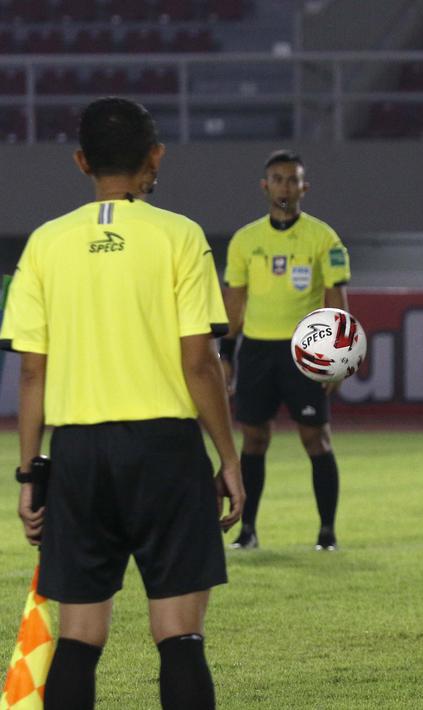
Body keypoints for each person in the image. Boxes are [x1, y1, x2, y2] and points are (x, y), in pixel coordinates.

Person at [2, 97, 243, 710]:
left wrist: (31, 475)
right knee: (180, 636)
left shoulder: (45, 244)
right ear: (154, 156)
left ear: (81, 160)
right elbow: (198, 363)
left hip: (79, 453)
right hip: (166, 449)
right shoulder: (181, 237)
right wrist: (230, 459)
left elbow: (32, 372)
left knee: (79, 638)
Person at [219, 150, 351, 551]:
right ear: (265, 187)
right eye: (278, 179)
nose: (285, 187)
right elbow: (234, 304)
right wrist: (226, 355)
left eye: (292, 180)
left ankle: (326, 533)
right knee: (253, 440)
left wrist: (338, 357)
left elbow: (336, 299)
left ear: (303, 187)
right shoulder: (245, 240)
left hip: (304, 352)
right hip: (257, 352)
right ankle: (248, 530)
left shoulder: (324, 238)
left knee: (317, 440)